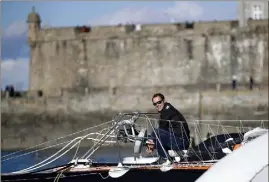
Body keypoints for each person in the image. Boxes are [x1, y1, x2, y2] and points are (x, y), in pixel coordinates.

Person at [146, 93, 190, 162]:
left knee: (156, 132)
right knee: (156, 134)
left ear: (164, 101)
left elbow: (160, 131)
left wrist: (150, 143)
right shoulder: (167, 109)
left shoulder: (167, 111)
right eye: (155, 104)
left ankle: (164, 158)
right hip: (178, 140)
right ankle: (165, 158)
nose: (157, 105)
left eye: (159, 102)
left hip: (181, 142)